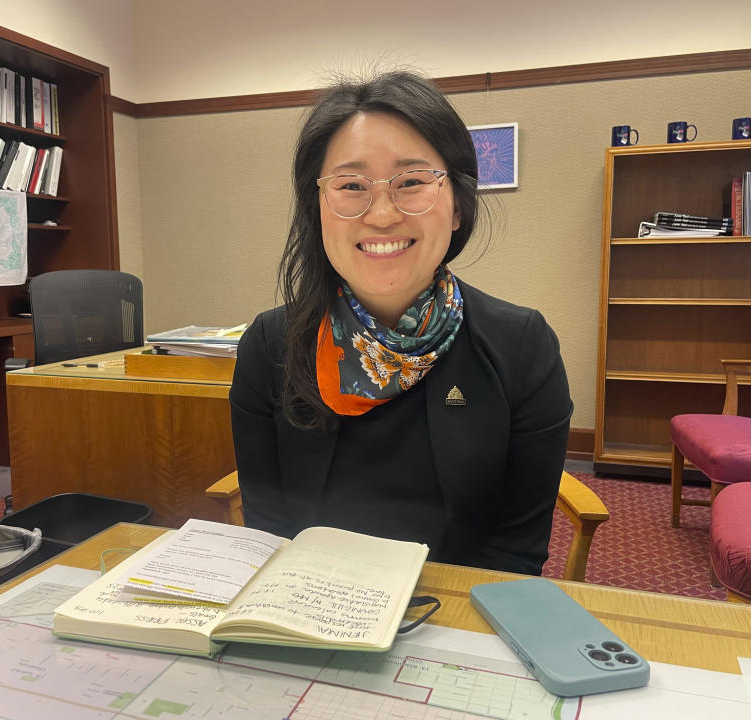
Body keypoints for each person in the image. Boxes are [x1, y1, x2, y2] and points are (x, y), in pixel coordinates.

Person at [229, 71, 572, 574]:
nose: (383, 215)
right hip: (303, 612)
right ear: (316, 208)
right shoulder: (270, 345)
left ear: (458, 205)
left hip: (454, 617)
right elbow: (269, 535)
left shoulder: (522, 347)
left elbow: (513, 554)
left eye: (411, 182)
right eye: (350, 185)